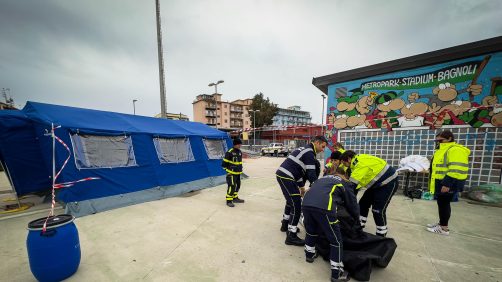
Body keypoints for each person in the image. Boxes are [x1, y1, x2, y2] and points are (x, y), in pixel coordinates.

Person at [302, 172, 359, 282]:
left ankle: (310, 255)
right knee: (336, 241)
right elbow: (352, 204)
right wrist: (356, 219)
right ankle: (337, 274)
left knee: (311, 231)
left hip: (306, 205)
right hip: (325, 208)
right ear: (344, 176)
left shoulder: (321, 179)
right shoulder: (344, 183)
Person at [276, 135, 328, 246]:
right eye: (322, 146)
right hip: (286, 176)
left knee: (291, 202)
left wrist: (301, 187)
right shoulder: (309, 153)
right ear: (317, 143)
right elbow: (311, 174)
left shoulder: (305, 149)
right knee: (297, 205)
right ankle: (291, 236)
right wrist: (316, 188)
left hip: (285, 175)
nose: (322, 150)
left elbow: (299, 172)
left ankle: (285, 225)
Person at [340, 151, 398, 237]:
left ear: (348, 159)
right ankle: (359, 227)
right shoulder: (356, 161)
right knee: (363, 204)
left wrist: (346, 203)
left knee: (378, 210)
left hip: (388, 183)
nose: (344, 165)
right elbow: (355, 187)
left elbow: (351, 187)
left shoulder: (360, 165)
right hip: (376, 185)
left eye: (344, 163)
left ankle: (381, 236)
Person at [426, 130, 470, 236]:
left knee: (444, 204)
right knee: (441, 203)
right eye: (437, 141)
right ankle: (441, 224)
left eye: (441, 140)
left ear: (449, 138)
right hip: (441, 181)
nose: (438, 142)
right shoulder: (441, 150)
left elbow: (456, 168)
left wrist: (447, 184)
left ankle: (444, 228)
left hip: (448, 182)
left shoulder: (455, 150)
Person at [222, 138, 244, 207]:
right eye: (239, 144)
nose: (240, 145)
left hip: (238, 173)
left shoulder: (239, 152)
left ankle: (235, 198)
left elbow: (239, 163)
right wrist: (228, 172)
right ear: (236, 144)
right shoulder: (230, 152)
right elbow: (224, 164)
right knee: (232, 186)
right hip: (231, 173)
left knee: (238, 186)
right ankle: (229, 200)